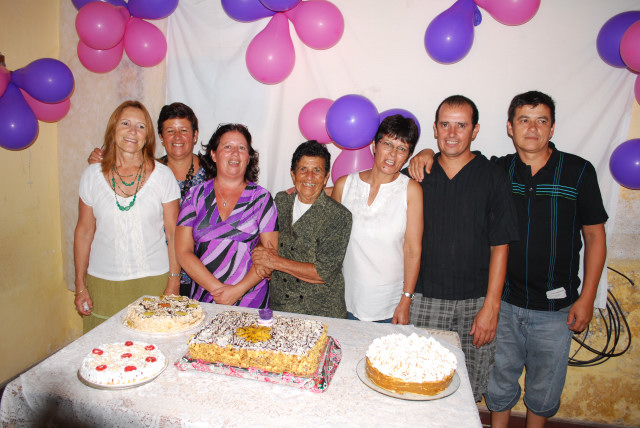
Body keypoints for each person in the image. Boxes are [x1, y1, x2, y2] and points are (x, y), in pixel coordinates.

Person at [482, 91, 608, 427]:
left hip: (556, 308)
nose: (533, 128)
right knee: (498, 383)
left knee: (544, 389)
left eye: (542, 121)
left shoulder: (578, 171)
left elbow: (595, 236)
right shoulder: (498, 170)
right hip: (504, 303)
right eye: (524, 120)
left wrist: (588, 298)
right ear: (510, 127)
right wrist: (426, 153)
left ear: (552, 128)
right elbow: (457, 156)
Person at [405, 96, 519, 402]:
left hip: (476, 303)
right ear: (435, 128)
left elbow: (501, 245)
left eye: (461, 125)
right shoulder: (418, 175)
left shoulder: (493, 176)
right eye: (445, 125)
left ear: (475, 130)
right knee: (421, 382)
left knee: (467, 389)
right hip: (425, 299)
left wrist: (491, 307)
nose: (452, 133)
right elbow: (374, 186)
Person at [74, 100, 181, 332]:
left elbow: (174, 233)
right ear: (113, 129)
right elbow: (84, 232)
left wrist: (174, 281)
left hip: (154, 281)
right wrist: (80, 285)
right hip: (103, 283)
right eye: (125, 123)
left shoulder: (163, 176)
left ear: (148, 136)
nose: (133, 131)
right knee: (104, 349)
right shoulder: (92, 176)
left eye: (141, 126)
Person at [88, 102, 207, 296]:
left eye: (184, 130)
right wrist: (101, 165)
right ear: (160, 137)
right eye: (170, 131)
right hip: (162, 275)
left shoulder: (213, 174)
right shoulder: (150, 174)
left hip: (205, 276)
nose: (177, 137)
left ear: (195, 135)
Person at [331, 114, 424, 324]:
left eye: (402, 148)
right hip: (345, 299)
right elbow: (332, 246)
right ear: (374, 145)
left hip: (390, 305)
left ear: (408, 155)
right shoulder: (344, 186)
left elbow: (412, 250)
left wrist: (406, 300)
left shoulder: (411, 190)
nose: (393, 154)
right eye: (387, 144)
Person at [175, 123, 278, 308]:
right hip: (204, 298)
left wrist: (237, 291)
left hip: (251, 299)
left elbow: (270, 256)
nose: (235, 153)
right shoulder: (194, 196)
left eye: (242, 148)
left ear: (249, 157)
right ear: (214, 154)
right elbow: (183, 251)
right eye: (227, 147)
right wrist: (218, 290)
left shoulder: (262, 198)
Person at [251, 141, 352, 318]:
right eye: (303, 169)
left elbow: (323, 273)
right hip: (280, 307)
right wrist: (260, 256)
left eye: (317, 170)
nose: (309, 177)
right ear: (293, 174)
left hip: (321, 312)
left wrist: (274, 262)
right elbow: (267, 238)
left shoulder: (339, 216)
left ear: (326, 177)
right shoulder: (281, 201)